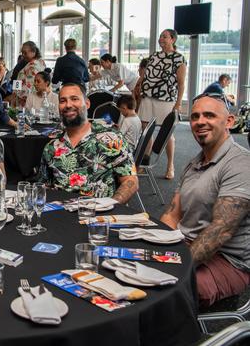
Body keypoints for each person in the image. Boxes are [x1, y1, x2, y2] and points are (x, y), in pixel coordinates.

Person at [160, 93, 250, 307]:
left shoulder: (240, 164)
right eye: (195, 116)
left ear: (230, 121)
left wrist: (174, 266)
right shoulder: (195, 163)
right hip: (186, 245)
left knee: (162, 291)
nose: (200, 122)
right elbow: (173, 214)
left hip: (226, 261)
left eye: (209, 115)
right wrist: (154, 244)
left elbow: (221, 230)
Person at [38, 83, 138, 202]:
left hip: (100, 214)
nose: (68, 105)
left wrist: (113, 204)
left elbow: (131, 181)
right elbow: (43, 188)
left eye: (74, 99)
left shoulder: (111, 138)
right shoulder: (51, 148)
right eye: (63, 101)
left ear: (87, 103)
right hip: (59, 213)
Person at [139, 29, 186, 180]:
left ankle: (170, 165)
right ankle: (145, 160)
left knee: (167, 133)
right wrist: (139, 86)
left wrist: (178, 103)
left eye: (165, 37)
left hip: (166, 99)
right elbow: (146, 75)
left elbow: (181, 84)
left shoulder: (179, 58)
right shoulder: (154, 55)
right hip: (148, 97)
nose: (161, 39)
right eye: (160, 36)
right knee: (146, 130)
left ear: (173, 39)